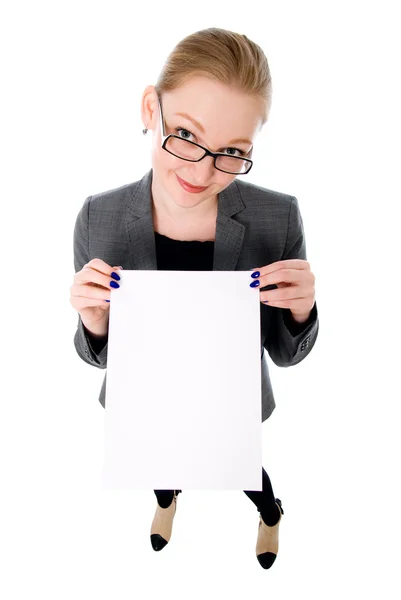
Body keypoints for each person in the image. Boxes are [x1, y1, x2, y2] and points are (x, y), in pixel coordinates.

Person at [70, 27, 319, 570]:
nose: (202, 171)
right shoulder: (100, 217)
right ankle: (167, 501)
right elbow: (98, 355)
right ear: (149, 110)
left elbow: (285, 352)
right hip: (149, 399)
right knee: (165, 465)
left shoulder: (277, 218)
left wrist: (301, 312)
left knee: (244, 470)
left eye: (233, 151)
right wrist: (93, 321)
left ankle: (271, 513)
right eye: (184, 133)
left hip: (230, 398)